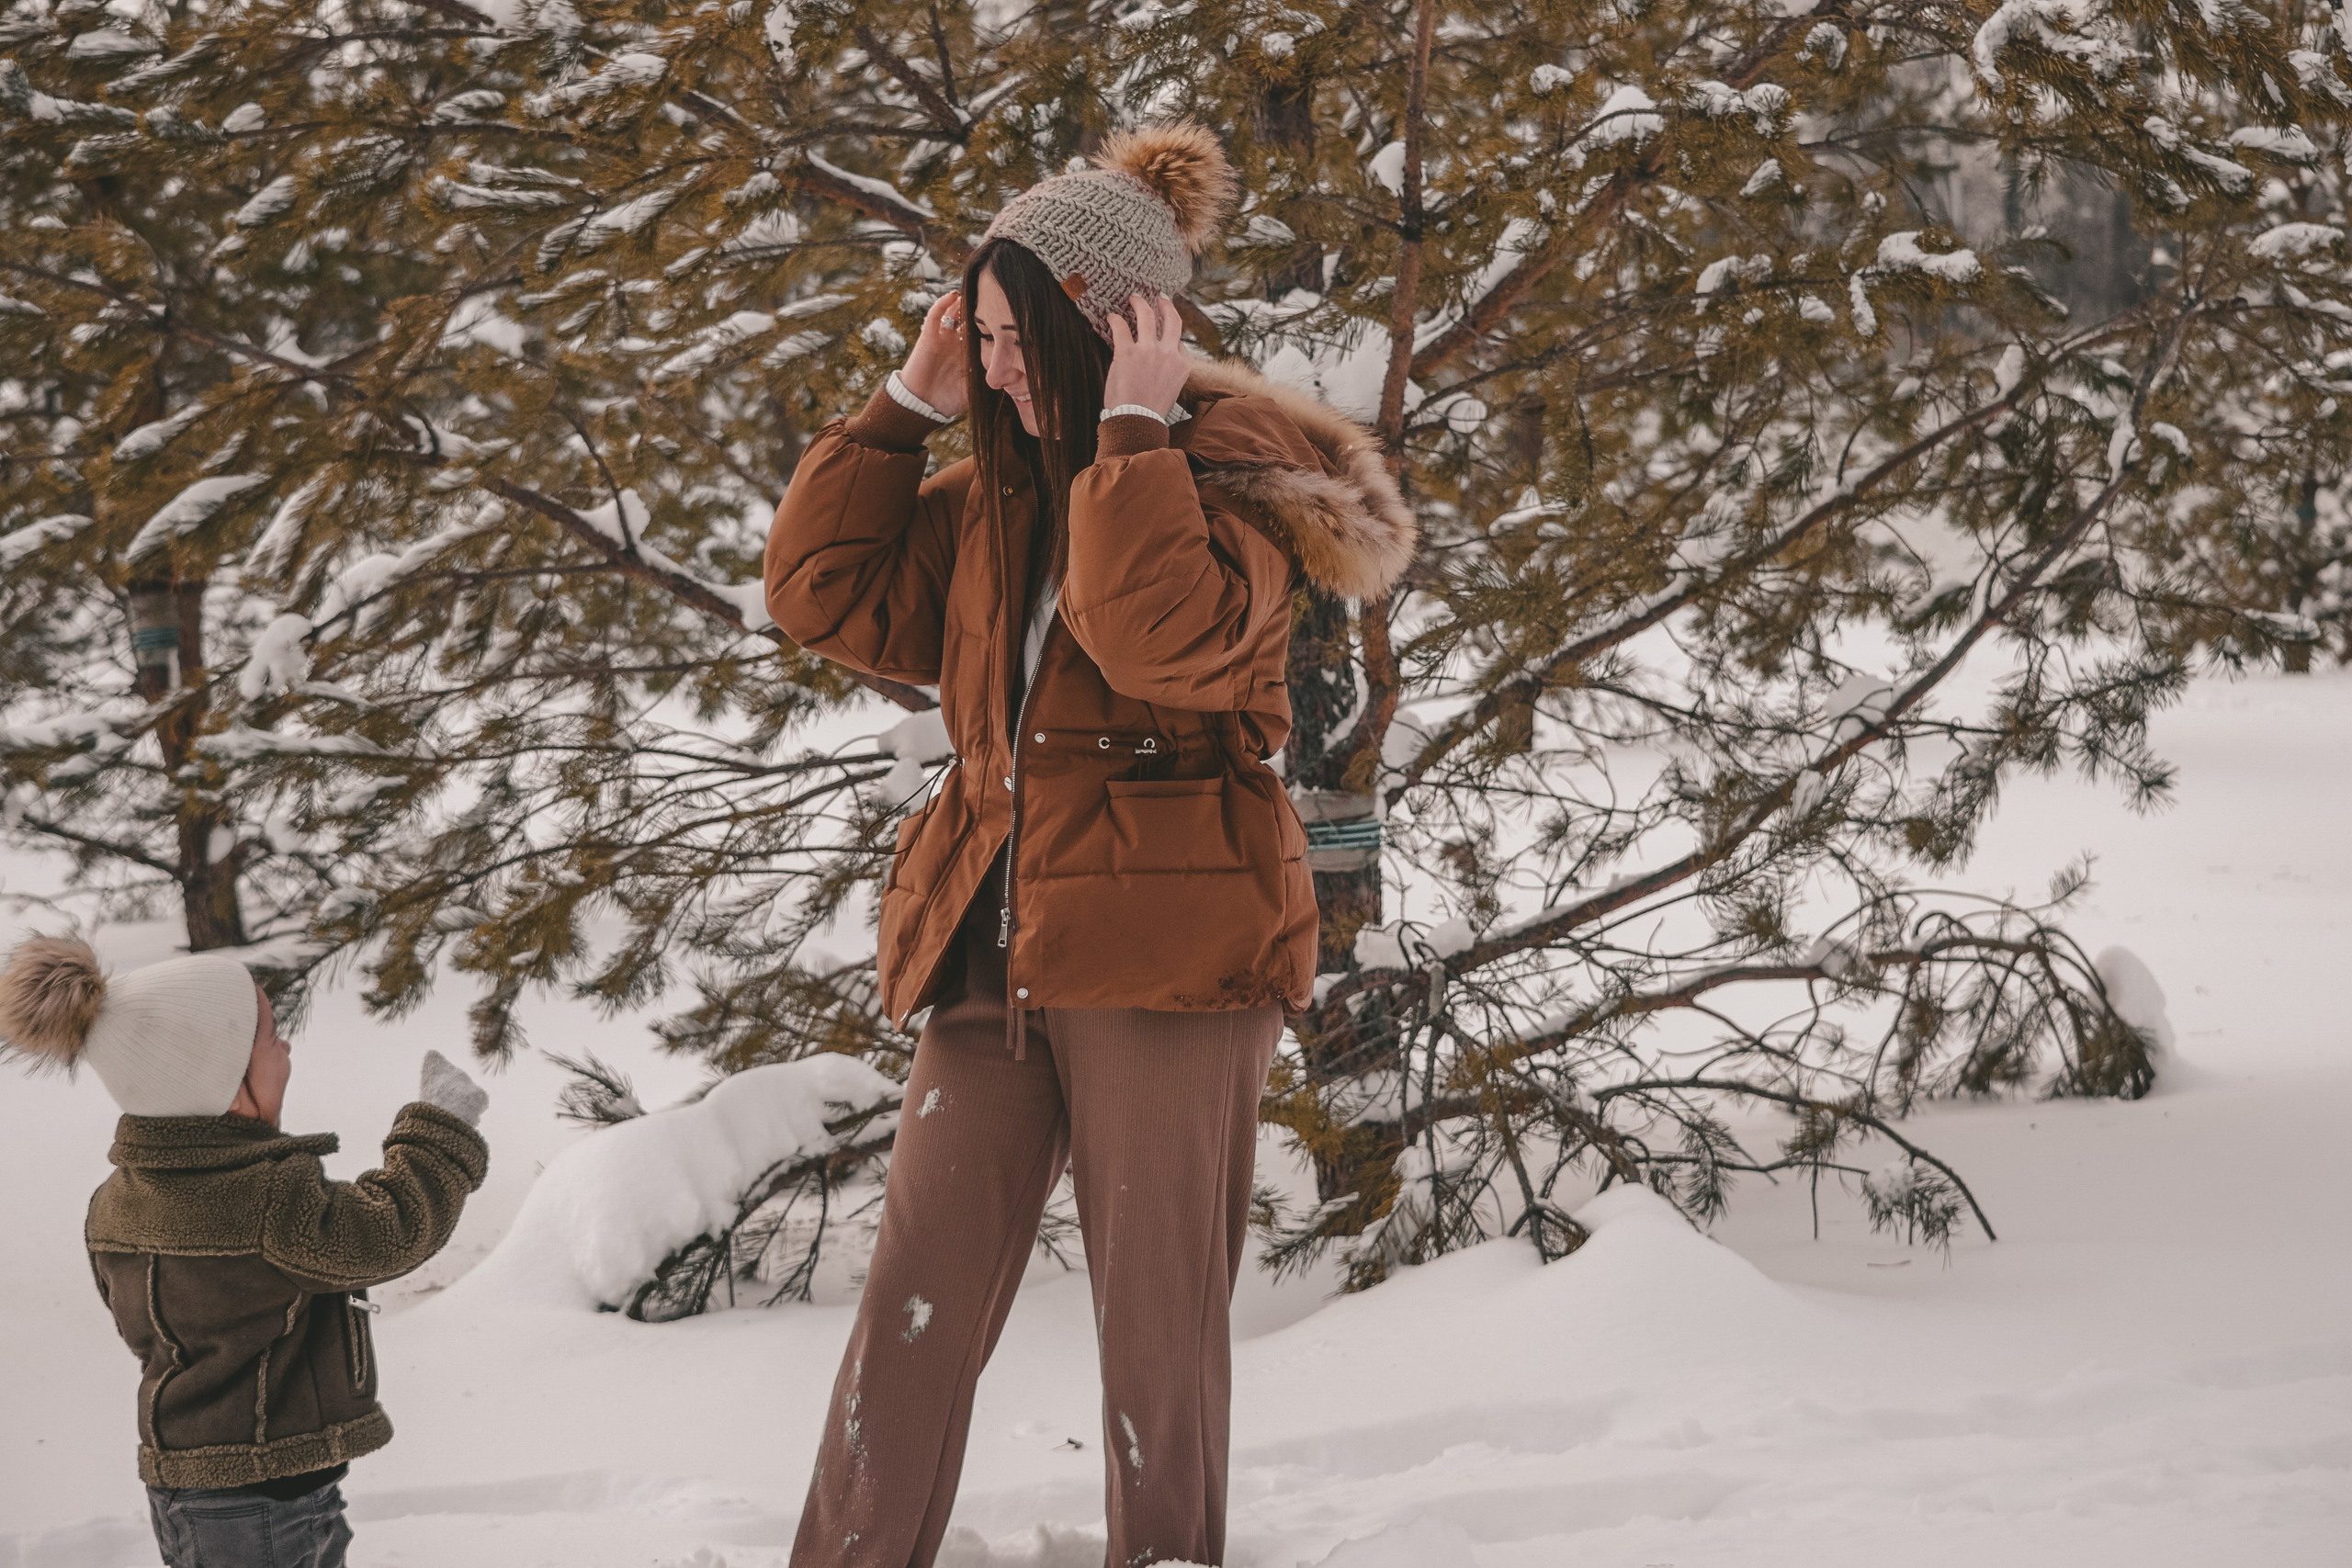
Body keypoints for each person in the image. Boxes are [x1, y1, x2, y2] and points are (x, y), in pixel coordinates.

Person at [763, 122, 1416, 1566]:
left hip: (1173, 958)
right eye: (977, 335)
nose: (991, 363)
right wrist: (897, 405)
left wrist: (1131, 428)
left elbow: (1156, 630)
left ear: (1102, 321)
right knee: (910, 1312)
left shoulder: (1238, 465)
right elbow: (819, 592)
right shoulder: (995, 489)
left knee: (1156, 1335)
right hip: (996, 941)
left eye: (1009, 336)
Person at [0, 936, 492, 1568]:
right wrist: (439, 1129)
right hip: (263, 1499)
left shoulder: (115, 1201)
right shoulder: (267, 1198)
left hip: (192, 1481)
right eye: (267, 1035)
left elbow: (140, 1319)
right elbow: (385, 1231)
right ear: (221, 1079)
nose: (284, 1044)